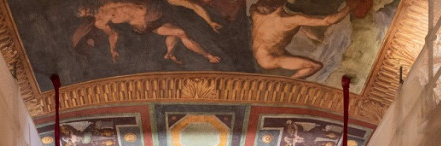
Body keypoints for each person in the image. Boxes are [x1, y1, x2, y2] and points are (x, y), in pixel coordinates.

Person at [76, 0, 222, 65]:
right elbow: (113, 34)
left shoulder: (105, 1)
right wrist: (113, 50)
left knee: (177, 31)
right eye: (86, 12)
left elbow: (192, 5)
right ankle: (208, 56)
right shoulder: (100, 21)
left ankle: (169, 54)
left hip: (156, 9)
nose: (89, 11)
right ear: (86, 15)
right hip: (148, 22)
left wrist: (210, 22)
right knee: (180, 32)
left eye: (87, 7)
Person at [249, 0, 349, 78]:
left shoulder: (255, 12)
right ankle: (290, 83)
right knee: (315, 66)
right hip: (269, 59)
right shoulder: (287, 20)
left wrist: (317, 37)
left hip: (262, 53)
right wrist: (350, 6)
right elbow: (328, 21)